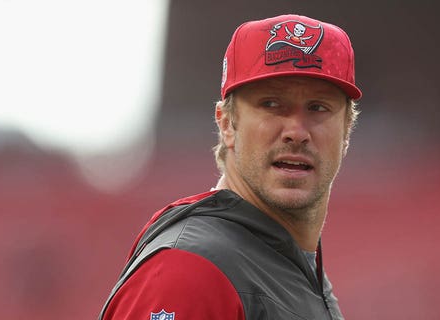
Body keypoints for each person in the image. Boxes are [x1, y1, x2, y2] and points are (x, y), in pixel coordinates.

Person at [99, 13, 362, 320]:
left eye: (318, 107)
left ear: (346, 131)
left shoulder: (293, 270)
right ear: (227, 125)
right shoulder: (190, 271)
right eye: (271, 104)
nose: (296, 132)